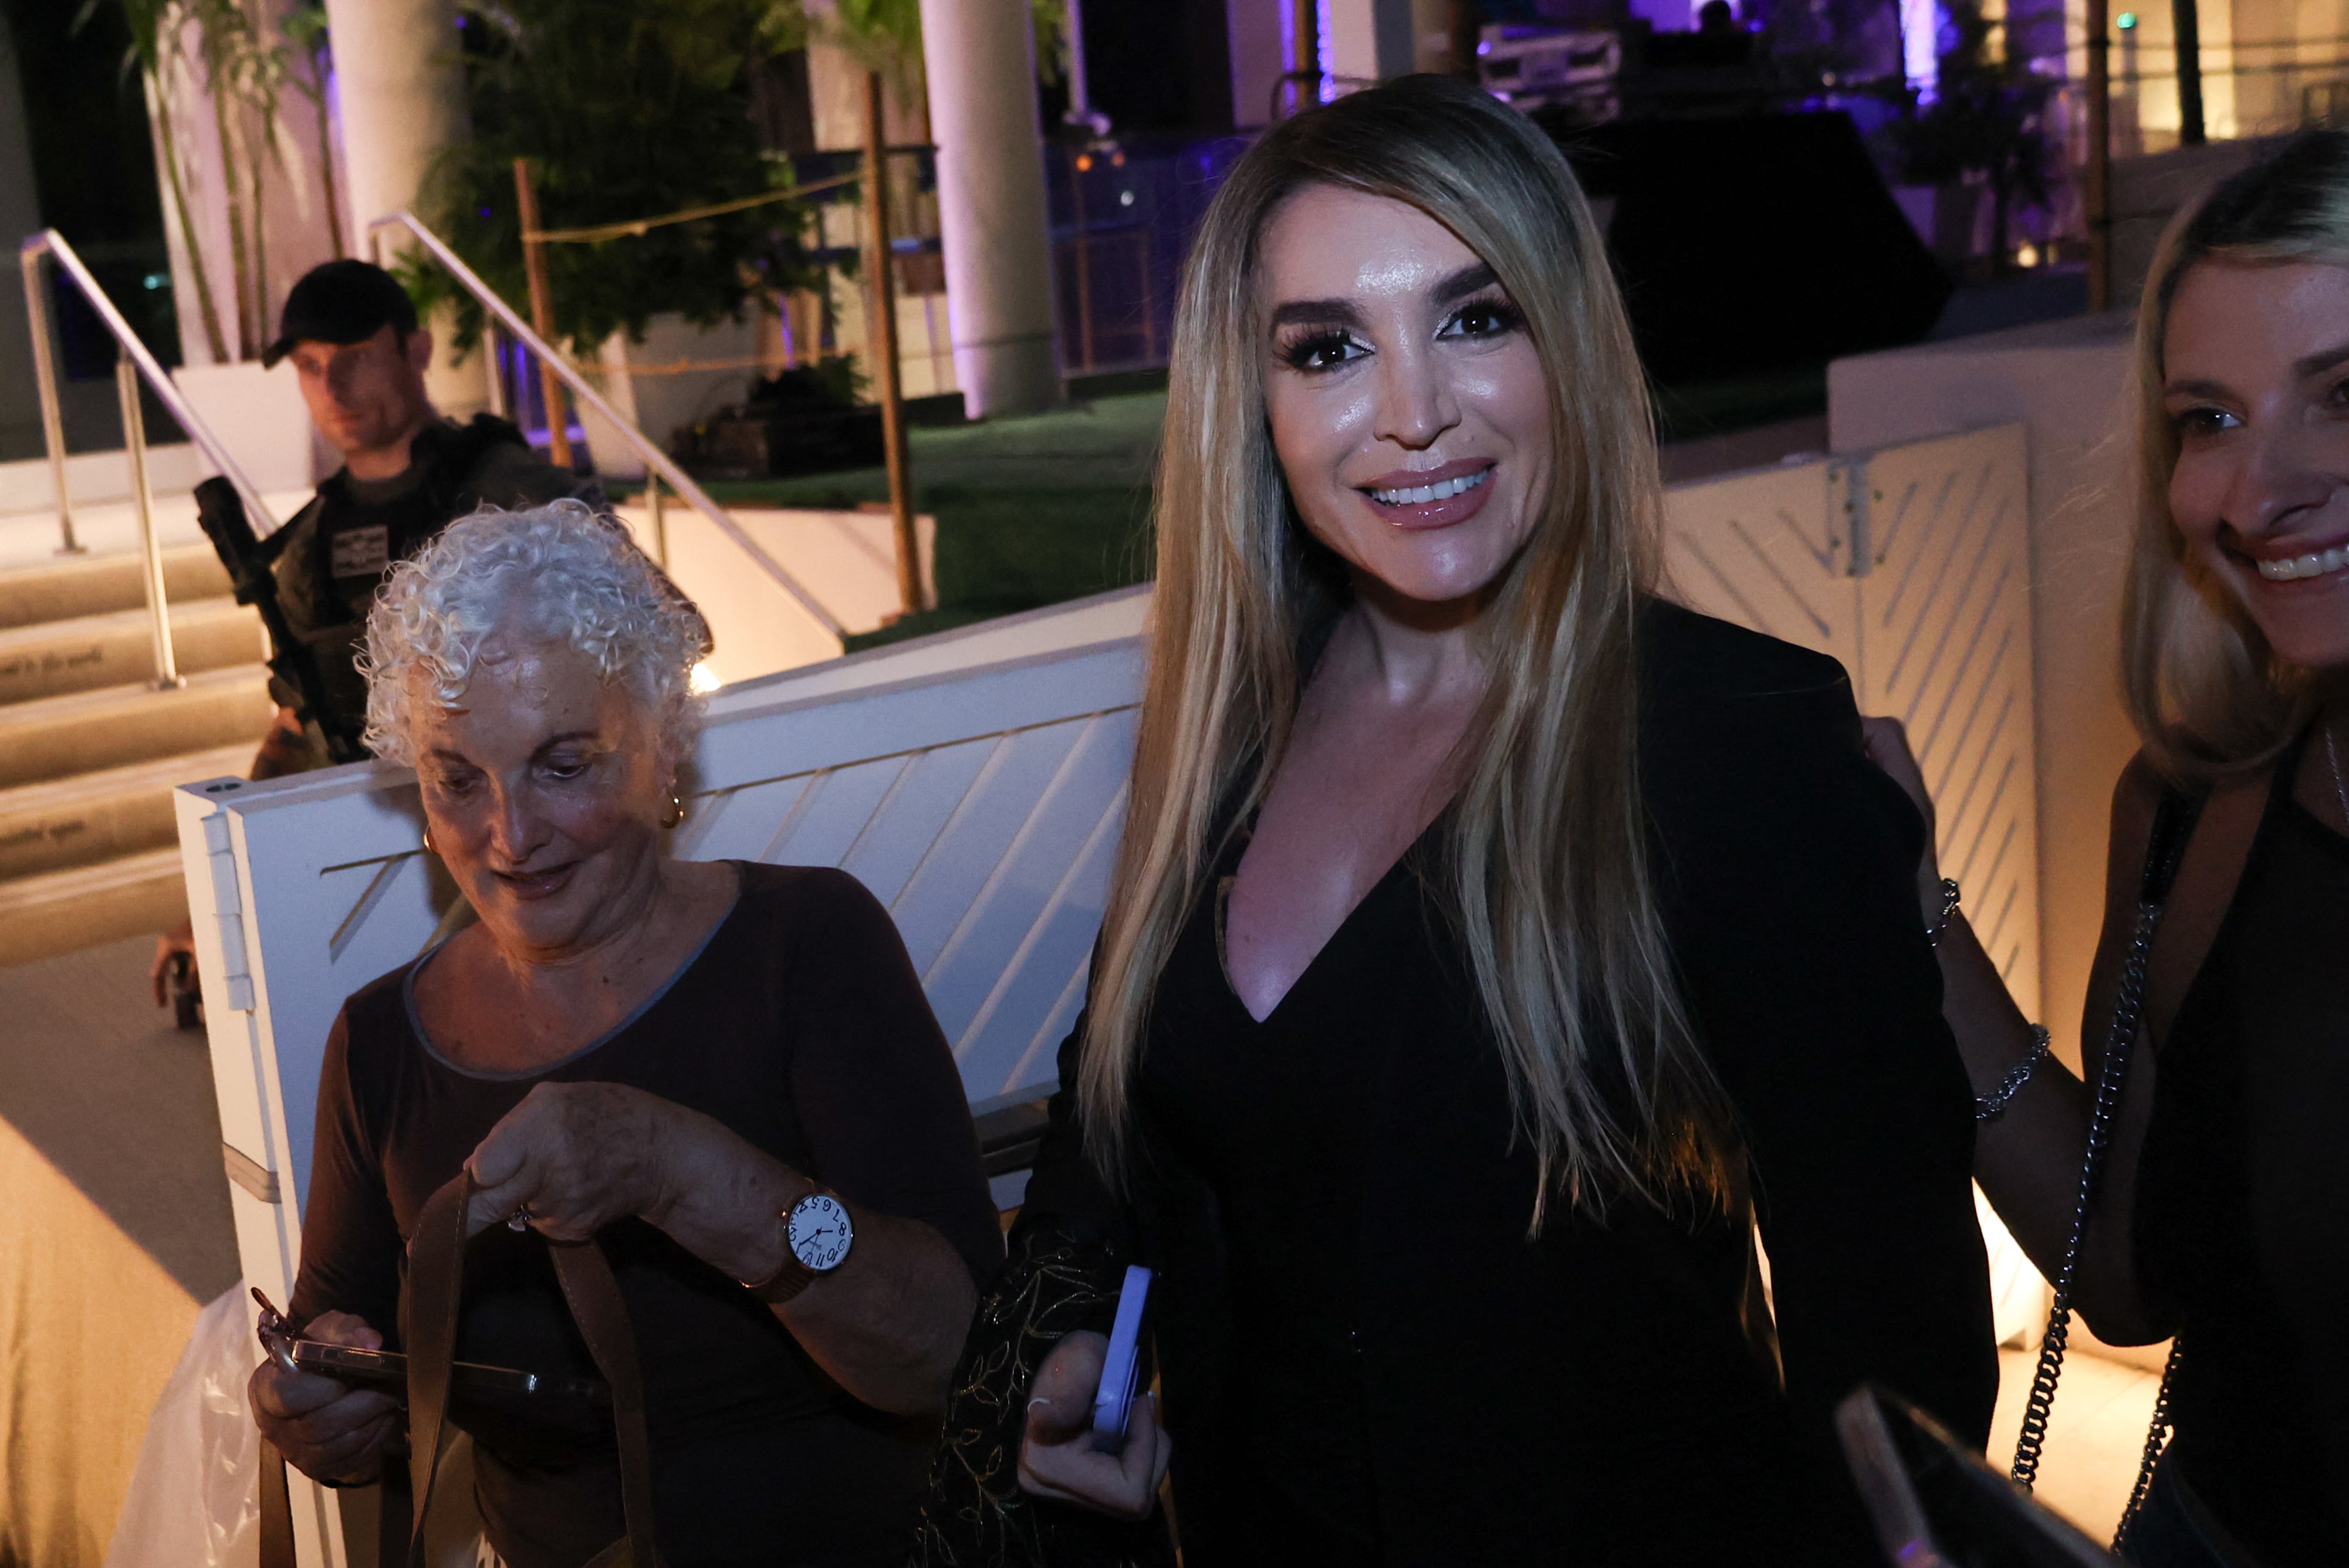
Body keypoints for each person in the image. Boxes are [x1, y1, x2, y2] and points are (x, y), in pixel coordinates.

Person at [917, 75, 1995, 1567]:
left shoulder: (1737, 746)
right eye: (1330, 348)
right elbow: (1122, 1148)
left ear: (1569, 341)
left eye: (1475, 317)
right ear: (1258, 402)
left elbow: (1894, 1364)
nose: (1413, 412)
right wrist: (1075, 1362)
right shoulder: (1220, 745)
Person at [246, 503, 1000, 1568]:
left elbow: (947, 1351)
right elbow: (347, 1352)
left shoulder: (806, 946)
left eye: (563, 764)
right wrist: (323, 1402)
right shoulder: (380, 1043)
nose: (509, 835)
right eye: (459, 777)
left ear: (663, 747)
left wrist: (679, 1171)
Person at [1869, 132, 2349, 1567]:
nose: (2252, 492)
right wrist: (1914, 909)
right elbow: (2128, 1264)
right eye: (2206, 418)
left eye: (2344, 396)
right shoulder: (2192, 810)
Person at [153, 260, 596, 1005]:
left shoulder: (512, 495)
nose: (333, 387)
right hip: (375, 879)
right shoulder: (308, 547)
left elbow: (657, 642)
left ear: (417, 352)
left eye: (355, 358)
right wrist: (219, 904)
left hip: (533, 861)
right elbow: (296, 725)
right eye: (310, 366)